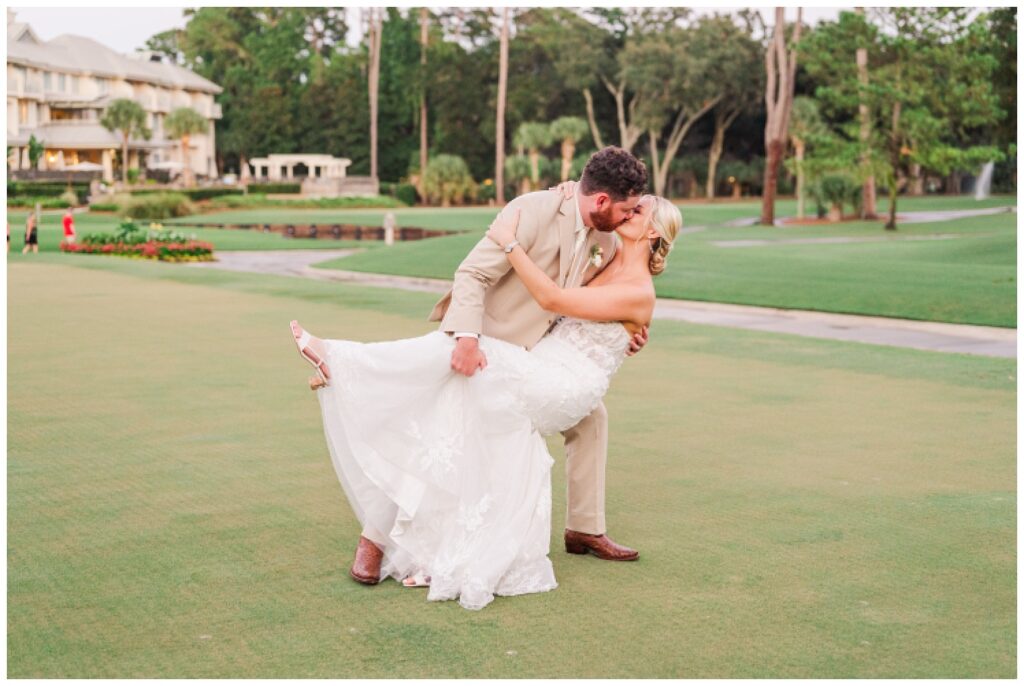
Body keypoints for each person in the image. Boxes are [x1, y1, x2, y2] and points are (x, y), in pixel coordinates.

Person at [291, 191, 681, 610]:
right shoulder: (595, 246)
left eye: (637, 210)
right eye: (627, 205)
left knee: (475, 361)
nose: (627, 212)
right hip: (543, 359)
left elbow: (558, 301)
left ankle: (348, 362)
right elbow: (582, 313)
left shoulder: (635, 283)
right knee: (459, 392)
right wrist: (626, 331)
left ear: (653, 230)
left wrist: (510, 245)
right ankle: (432, 551)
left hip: (567, 380)